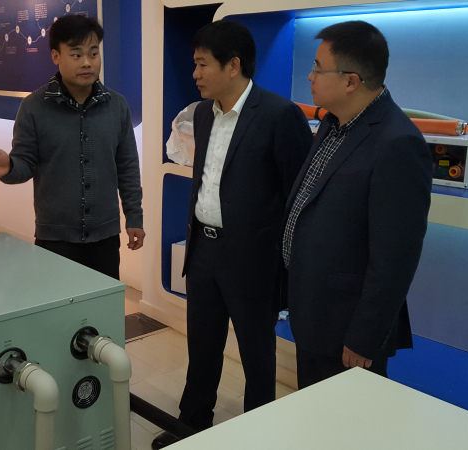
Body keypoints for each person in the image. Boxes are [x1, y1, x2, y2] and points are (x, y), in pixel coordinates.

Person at [153, 20, 312, 449]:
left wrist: (285, 265)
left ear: (234, 65)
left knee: (257, 356)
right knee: (202, 346)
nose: (195, 73)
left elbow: (298, 197)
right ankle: (192, 424)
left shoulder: (279, 115)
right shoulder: (203, 114)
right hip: (203, 250)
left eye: (202, 64)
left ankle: (257, 434)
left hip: (253, 260)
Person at [282, 20, 433, 389]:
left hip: (345, 327)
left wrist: (365, 336)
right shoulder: (334, 123)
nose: (310, 77)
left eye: (318, 68)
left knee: (347, 418)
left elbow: (394, 258)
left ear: (351, 81)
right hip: (312, 311)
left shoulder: (397, 144)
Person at [0, 15, 144, 279]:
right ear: (55, 56)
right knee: (58, 303)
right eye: (76, 54)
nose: (87, 62)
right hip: (55, 239)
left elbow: (127, 167)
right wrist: (10, 167)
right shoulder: (34, 107)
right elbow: (25, 164)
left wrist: (134, 217)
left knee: (102, 304)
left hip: (105, 237)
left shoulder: (117, 105)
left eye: (93, 53)